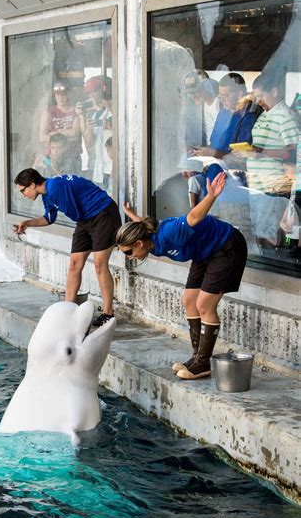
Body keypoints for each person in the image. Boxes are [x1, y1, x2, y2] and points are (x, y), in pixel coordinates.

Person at [116, 167, 248, 380]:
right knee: (189, 300)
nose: (130, 257)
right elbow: (145, 226)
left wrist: (212, 196)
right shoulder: (151, 241)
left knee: (204, 304)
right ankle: (197, 358)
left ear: (139, 243)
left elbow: (194, 217)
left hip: (227, 246)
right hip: (204, 252)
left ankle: (203, 364)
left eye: (129, 252)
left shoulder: (169, 233)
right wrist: (132, 216)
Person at [13, 168, 121, 326]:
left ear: (32, 184)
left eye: (23, 190)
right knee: (74, 265)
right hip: (85, 218)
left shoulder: (55, 188)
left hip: (103, 214)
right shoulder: (47, 193)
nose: (23, 195)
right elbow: (49, 218)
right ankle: (67, 311)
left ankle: (108, 313)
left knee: (99, 264)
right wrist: (27, 223)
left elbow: (74, 213)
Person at [245, 72, 299, 250]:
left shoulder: (285, 116)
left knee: (268, 234)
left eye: (261, 96)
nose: (258, 101)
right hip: (257, 185)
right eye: (256, 97)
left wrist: (261, 152)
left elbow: (294, 152)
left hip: (272, 186)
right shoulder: (264, 114)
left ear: (274, 91)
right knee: (259, 230)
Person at [76, 76, 112, 187]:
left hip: (115, 166)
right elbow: (89, 144)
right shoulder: (95, 114)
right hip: (101, 168)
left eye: (94, 92)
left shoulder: (117, 108)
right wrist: (89, 128)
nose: (92, 96)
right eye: (89, 94)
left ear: (104, 88)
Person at [38, 80, 81, 170]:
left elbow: (75, 133)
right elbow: (42, 137)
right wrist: (66, 133)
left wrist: (53, 134)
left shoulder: (75, 111)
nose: (61, 97)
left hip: (72, 156)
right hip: (53, 157)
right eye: (58, 94)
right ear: (55, 95)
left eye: (63, 94)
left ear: (68, 94)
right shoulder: (49, 112)